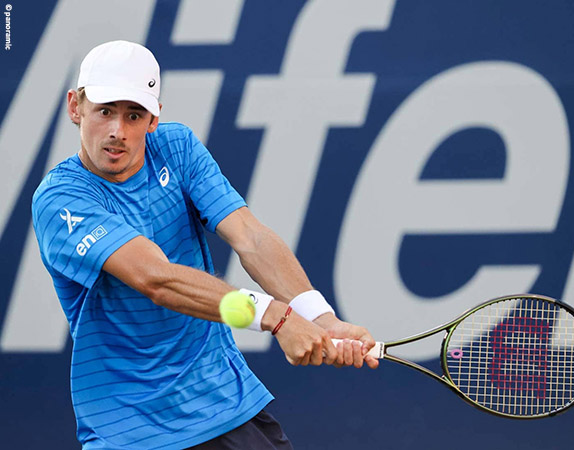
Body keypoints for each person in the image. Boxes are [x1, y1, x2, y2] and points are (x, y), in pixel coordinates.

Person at [31, 40, 378, 450]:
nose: (117, 131)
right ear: (75, 107)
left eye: (134, 114)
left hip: (227, 405)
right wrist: (276, 317)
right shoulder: (61, 200)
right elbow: (157, 280)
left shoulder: (177, 148)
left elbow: (250, 237)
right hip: (132, 431)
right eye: (105, 111)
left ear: (154, 118)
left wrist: (319, 317)